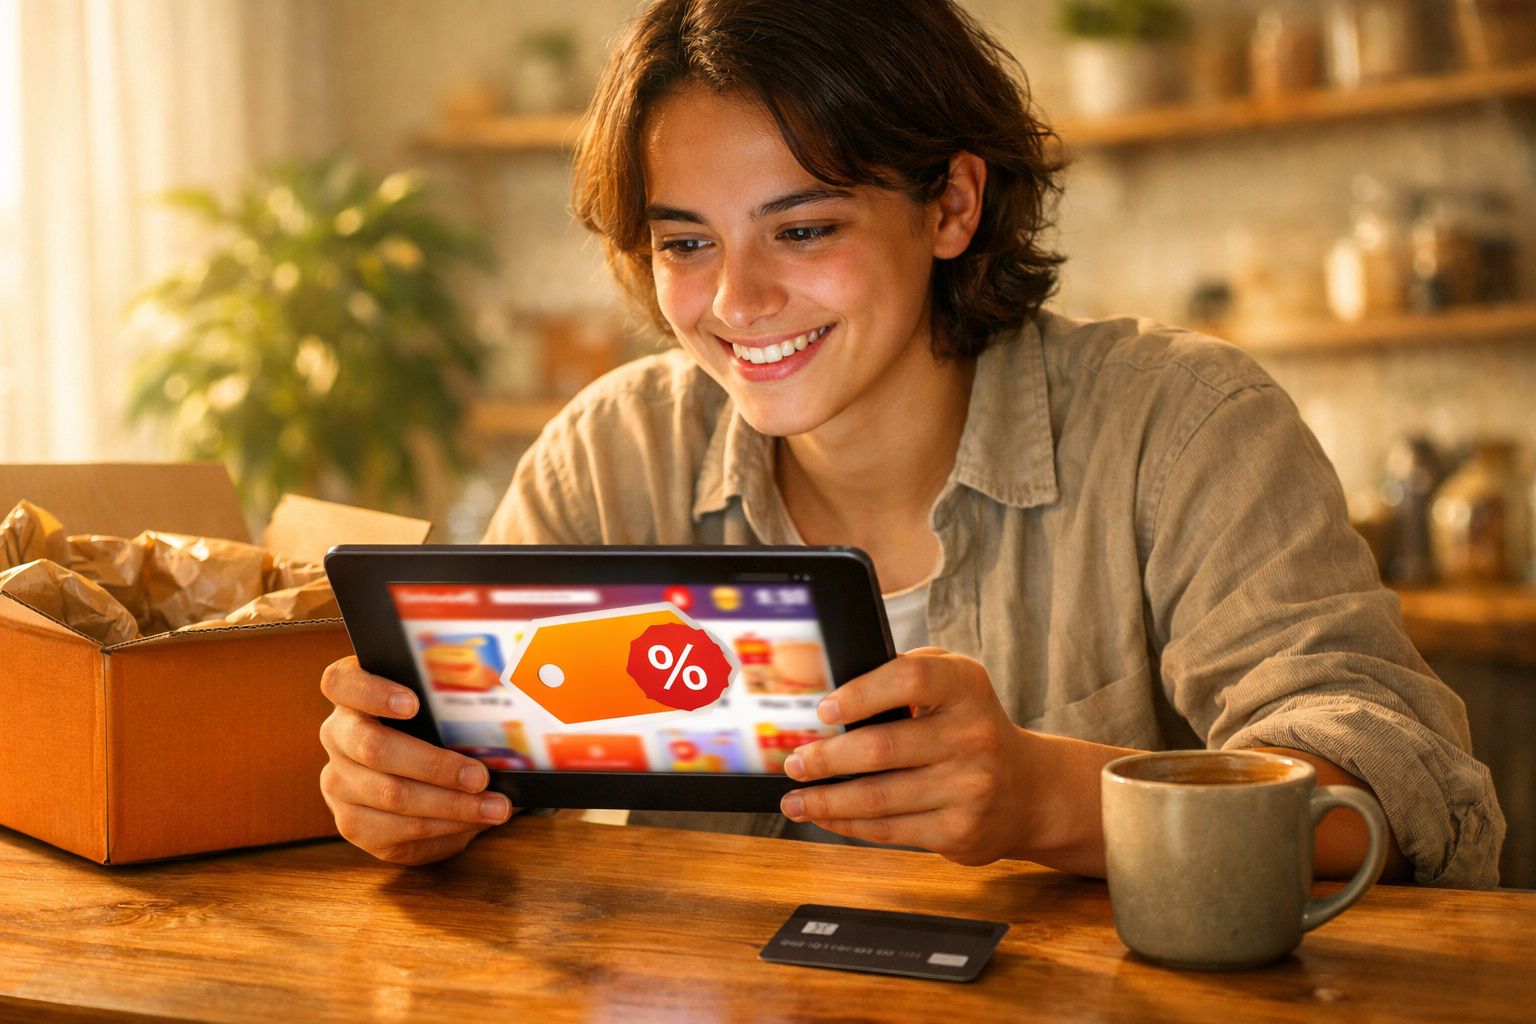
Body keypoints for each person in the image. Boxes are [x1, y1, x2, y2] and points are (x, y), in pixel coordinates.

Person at [318, 0, 1504, 886]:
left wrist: (1054, 800)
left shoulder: (1181, 426)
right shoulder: (611, 455)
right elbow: (481, 777)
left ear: (952, 205)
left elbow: (1397, 793)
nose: (736, 300)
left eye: (805, 227)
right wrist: (409, 797)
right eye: (685, 244)